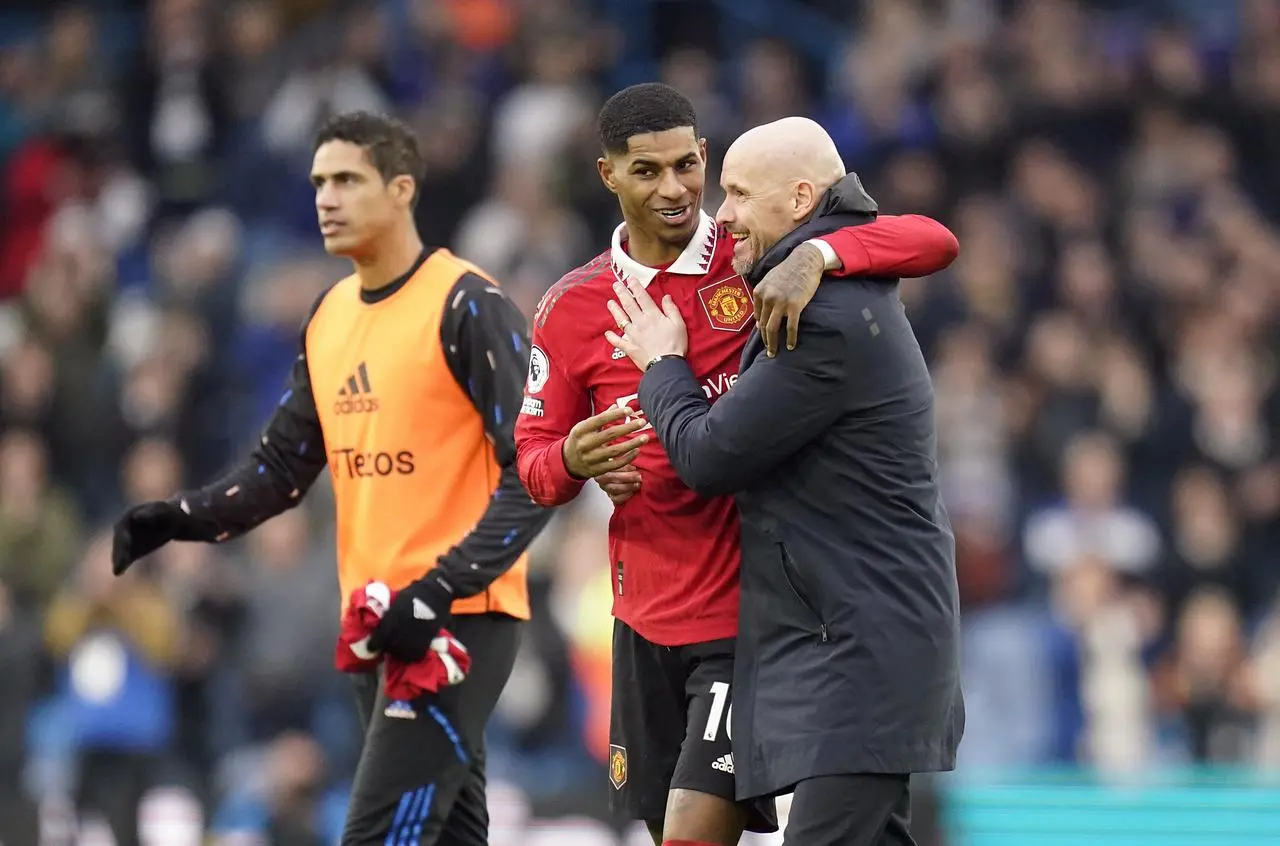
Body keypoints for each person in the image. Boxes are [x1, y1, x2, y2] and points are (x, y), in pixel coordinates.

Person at [514, 84, 959, 846]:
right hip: (641, 619)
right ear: (608, 175)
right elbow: (532, 464)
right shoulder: (572, 306)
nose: (677, 189)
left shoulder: (752, 257)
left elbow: (926, 240)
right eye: (647, 171)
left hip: (741, 617)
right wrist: (571, 458)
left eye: (689, 165)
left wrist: (822, 250)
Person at [110, 111, 552, 846]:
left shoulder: (468, 303)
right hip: (373, 625)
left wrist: (438, 591)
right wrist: (180, 516)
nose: (326, 198)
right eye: (319, 182)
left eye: (347, 179)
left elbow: (537, 469)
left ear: (402, 189)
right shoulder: (329, 316)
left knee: (379, 835)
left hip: (453, 623)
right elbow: (281, 469)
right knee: (449, 837)